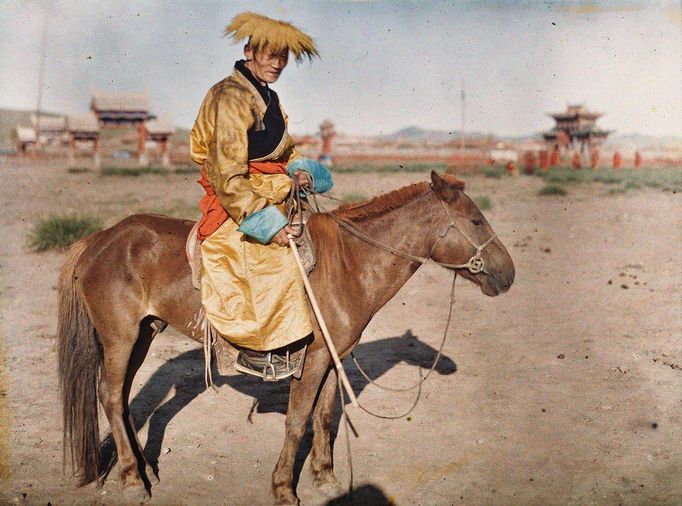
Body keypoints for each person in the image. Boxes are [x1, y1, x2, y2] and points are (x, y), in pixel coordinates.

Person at [190, 12, 333, 381]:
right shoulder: (230, 96)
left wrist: (300, 170)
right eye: (270, 55)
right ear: (249, 50)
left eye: (283, 57)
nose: (277, 63)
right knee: (270, 259)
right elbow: (228, 174)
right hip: (236, 196)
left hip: (269, 185)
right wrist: (269, 226)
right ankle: (256, 349)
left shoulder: (269, 96)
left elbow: (281, 153)